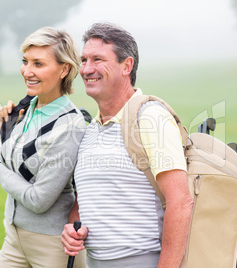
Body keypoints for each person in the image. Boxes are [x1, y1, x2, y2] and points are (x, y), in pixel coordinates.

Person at [61, 23, 193, 268]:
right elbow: (87, 199)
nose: (87, 69)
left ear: (127, 66)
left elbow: (180, 201)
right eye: (84, 60)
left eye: (98, 59)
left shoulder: (150, 117)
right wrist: (73, 227)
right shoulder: (91, 129)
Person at [0, 27, 86, 268]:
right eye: (25, 61)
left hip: (52, 246)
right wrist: (3, 128)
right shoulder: (27, 108)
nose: (27, 71)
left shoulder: (69, 126)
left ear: (64, 69)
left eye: (38, 64)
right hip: (13, 237)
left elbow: (39, 199)